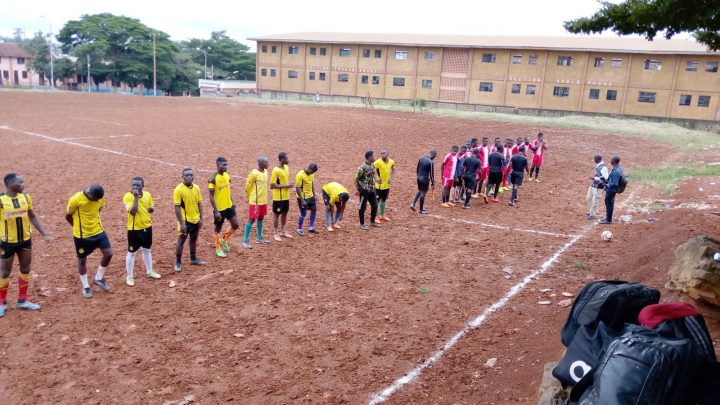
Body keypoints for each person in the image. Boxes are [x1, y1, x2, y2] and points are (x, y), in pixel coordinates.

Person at [0, 173, 50, 316]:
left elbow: (32, 216)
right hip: (7, 243)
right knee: (4, 272)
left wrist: (45, 234)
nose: (23, 185)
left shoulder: (25, 197)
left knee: (26, 269)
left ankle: (22, 300)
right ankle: (2, 302)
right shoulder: (1, 200)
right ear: (9, 184)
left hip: (25, 240)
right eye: (20, 182)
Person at [66, 184, 113, 298]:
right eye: (95, 199)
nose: (97, 200)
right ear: (90, 194)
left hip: (98, 231)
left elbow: (98, 209)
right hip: (82, 236)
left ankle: (98, 278)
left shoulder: (100, 198)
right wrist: (77, 227)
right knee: (82, 260)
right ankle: (86, 286)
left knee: (108, 254)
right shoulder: (76, 199)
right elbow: (68, 216)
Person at [123, 177, 161, 286]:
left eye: (138, 185)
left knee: (147, 250)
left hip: (147, 227)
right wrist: (135, 197)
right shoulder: (128, 196)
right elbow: (133, 212)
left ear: (142, 186)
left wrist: (151, 209)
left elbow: (151, 207)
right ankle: (129, 276)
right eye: (133, 185)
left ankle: (149, 271)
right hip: (134, 229)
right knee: (132, 253)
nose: (135, 187)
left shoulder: (147, 195)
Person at [174, 168, 206, 272]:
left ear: (193, 176)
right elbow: (177, 208)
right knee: (181, 241)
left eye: (190, 175)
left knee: (193, 239)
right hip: (185, 221)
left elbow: (199, 203)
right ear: (182, 176)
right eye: (186, 175)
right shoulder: (178, 189)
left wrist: (201, 218)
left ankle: (193, 259)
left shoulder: (196, 188)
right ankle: (178, 262)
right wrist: (181, 223)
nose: (188, 176)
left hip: (196, 219)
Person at [208, 157, 239, 258]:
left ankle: (223, 240)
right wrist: (216, 211)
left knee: (235, 224)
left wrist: (232, 202)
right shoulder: (213, 178)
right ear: (217, 166)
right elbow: (211, 196)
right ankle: (218, 249)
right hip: (219, 208)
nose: (226, 167)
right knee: (217, 229)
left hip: (229, 206)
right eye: (223, 165)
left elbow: (227, 190)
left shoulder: (227, 175)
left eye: (226, 165)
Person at [242, 157, 270, 248]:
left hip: (263, 200)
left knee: (261, 218)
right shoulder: (254, 173)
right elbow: (248, 186)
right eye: (265, 162)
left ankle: (259, 238)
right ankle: (245, 240)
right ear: (259, 163)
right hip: (255, 201)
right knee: (252, 218)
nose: (267, 164)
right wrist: (250, 197)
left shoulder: (265, 172)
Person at [270, 152, 294, 241]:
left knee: (285, 213)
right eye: (287, 159)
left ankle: (283, 231)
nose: (288, 160)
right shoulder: (275, 170)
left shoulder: (286, 168)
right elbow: (272, 186)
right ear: (282, 159)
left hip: (285, 196)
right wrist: (286, 186)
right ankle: (276, 233)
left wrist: (288, 185)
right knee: (276, 215)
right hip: (278, 197)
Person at [356, 150, 381, 230]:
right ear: (369, 157)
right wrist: (358, 189)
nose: (374, 157)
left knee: (375, 205)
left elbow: (374, 174)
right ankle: (362, 224)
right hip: (364, 190)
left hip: (371, 189)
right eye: (373, 156)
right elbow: (356, 179)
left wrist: (377, 179)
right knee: (362, 207)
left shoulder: (372, 165)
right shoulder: (362, 167)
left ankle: (372, 221)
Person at [295, 163, 319, 236]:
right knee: (303, 213)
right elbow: (298, 188)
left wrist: (314, 195)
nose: (312, 174)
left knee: (314, 210)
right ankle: (299, 229)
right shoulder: (300, 175)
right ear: (309, 169)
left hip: (310, 196)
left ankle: (311, 227)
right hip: (303, 197)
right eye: (312, 172)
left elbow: (311, 184)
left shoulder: (312, 174)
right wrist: (302, 200)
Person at [411, 149, 436, 214]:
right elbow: (431, 175)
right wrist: (433, 183)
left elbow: (417, 169)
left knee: (420, 191)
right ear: (434, 156)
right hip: (425, 179)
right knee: (423, 194)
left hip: (419, 177)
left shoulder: (421, 158)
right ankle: (421, 210)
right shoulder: (431, 162)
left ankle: (413, 204)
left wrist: (418, 177)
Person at [373, 149, 396, 221]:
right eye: (381, 153)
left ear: (387, 154)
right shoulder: (377, 162)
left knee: (384, 200)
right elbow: (371, 169)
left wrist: (391, 178)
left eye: (384, 153)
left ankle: (382, 215)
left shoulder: (391, 162)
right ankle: (375, 217)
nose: (382, 154)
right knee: (377, 201)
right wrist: (376, 178)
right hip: (378, 186)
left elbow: (393, 169)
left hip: (386, 185)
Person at [599, 156, 622, 224]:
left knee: (609, 204)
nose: (610, 161)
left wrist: (606, 185)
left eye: (611, 160)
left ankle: (608, 220)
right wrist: (605, 180)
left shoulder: (616, 171)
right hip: (611, 189)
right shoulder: (616, 169)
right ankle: (608, 218)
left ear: (614, 161)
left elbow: (614, 183)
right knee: (608, 203)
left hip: (611, 190)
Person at [587, 154, 609, 220]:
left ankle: (592, 214)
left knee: (595, 200)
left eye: (595, 159)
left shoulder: (604, 168)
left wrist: (595, 178)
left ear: (598, 159)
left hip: (599, 186)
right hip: (593, 185)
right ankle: (593, 211)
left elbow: (606, 178)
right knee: (588, 198)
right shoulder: (598, 165)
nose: (594, 160)